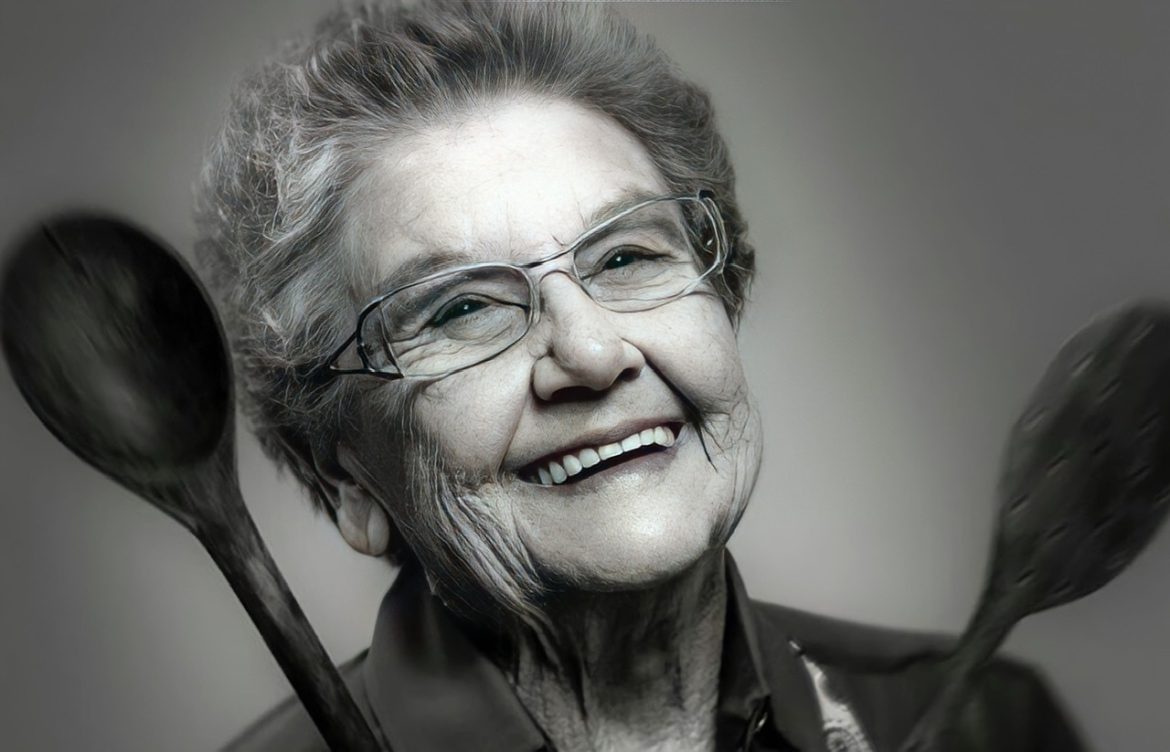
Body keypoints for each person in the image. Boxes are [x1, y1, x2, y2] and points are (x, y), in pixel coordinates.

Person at [196, 2, 1085, 750]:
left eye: (625, 257)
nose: (591, 354)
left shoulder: (981, 723)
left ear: (724, 299)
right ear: (345, 480)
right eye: (462, 309)